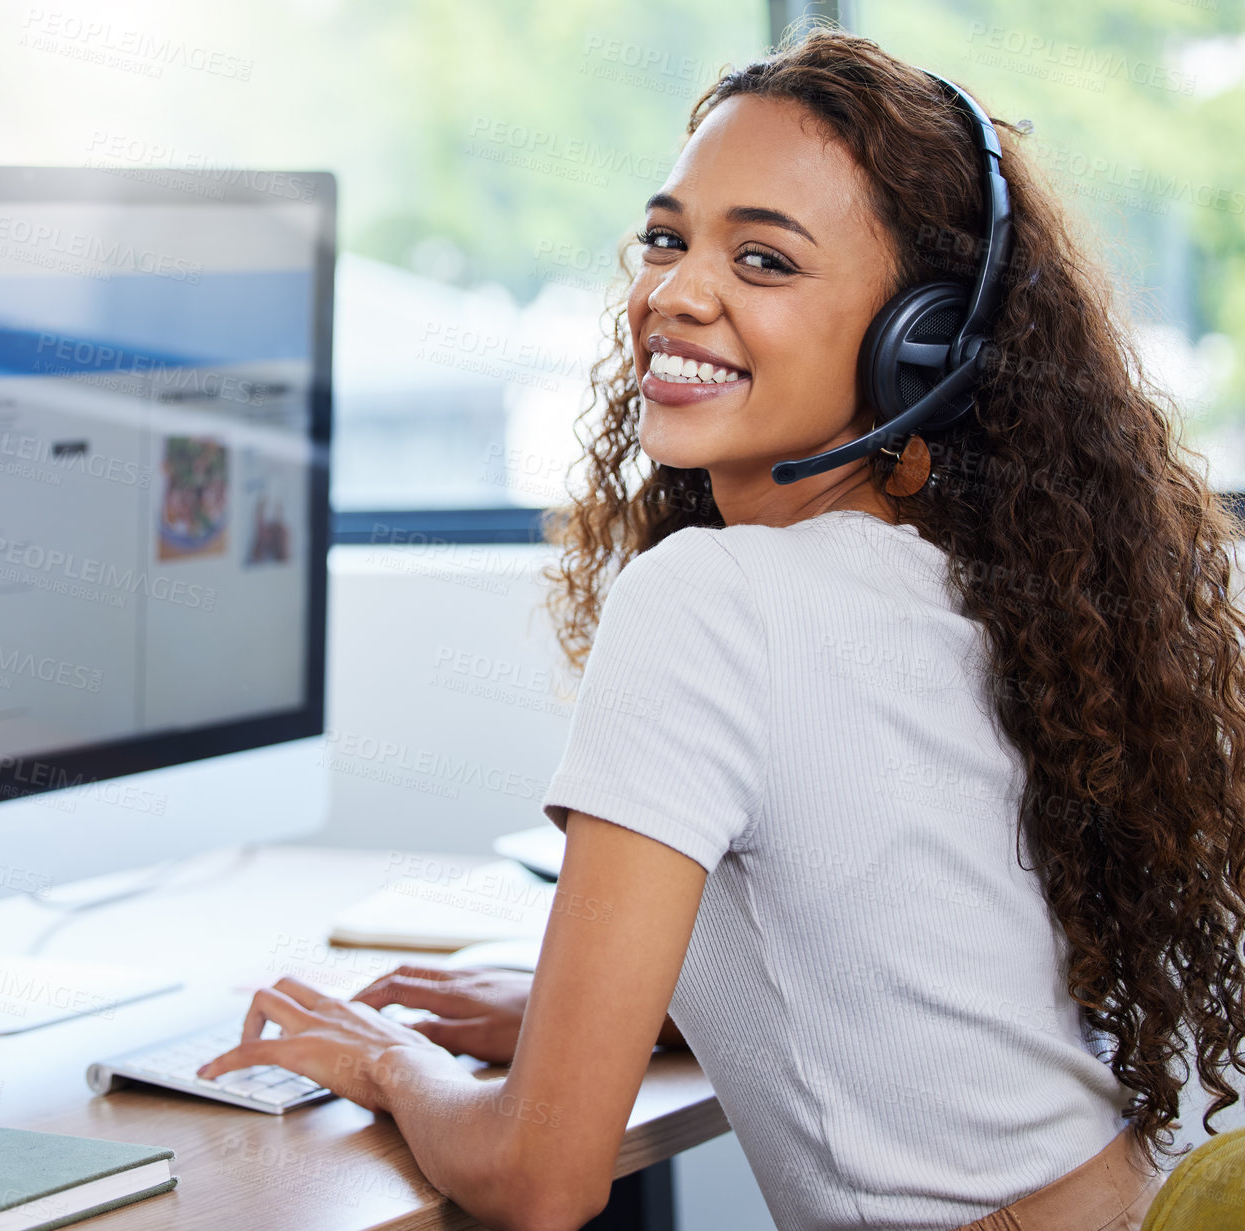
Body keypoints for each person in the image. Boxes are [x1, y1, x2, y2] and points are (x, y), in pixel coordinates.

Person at [201, 30, 1245, 1231]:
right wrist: (615, 1011)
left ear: (921, 341)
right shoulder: (969, 583)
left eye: (762, 259)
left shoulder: (709, 600)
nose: (675, 294)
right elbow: (904, 954)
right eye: (666, 238)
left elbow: (542, 1184)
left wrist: (387, 1059)